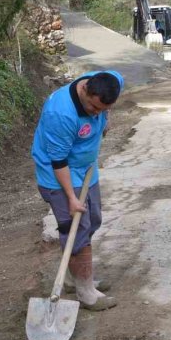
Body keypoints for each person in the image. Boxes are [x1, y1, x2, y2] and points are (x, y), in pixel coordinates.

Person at [31, 70, 124, 310]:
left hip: (87, 169)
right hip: (61, 175)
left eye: (102, 110)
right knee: (77, 232)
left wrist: (105, 116)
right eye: (94, 109)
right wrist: (71, 198)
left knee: (92, 220)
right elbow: (58, 161)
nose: (96, 114)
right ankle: (86, 293)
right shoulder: (61, 114)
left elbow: (104, 102)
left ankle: (77, 278)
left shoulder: (108, 80)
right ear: (85, 90)